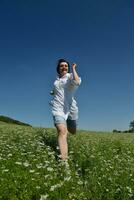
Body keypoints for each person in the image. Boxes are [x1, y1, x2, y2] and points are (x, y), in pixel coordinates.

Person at [50, 58, 81, 160]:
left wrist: (73, 68)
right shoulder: (56, 81)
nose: (64, 67)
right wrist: (52, 93)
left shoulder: (70, 76)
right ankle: (64, 164)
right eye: (61, 66)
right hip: (58, 109)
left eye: (66, 66)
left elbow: (77, 82)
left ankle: (69, 126)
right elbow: (56, 91)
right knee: (62, 130)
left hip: (71, 109)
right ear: (58, 68)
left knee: (72, 131)